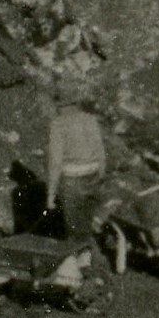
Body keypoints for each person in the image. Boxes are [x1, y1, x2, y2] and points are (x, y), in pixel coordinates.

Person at [43, 62, 108, 238]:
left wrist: (51, 195)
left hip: (73, 181)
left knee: (76, 232)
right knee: (89, 223)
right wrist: (100, 176)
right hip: (93, 175)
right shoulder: (89, 119)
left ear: (58, 103)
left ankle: (85, 260)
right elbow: (101, 152)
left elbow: (55, 162)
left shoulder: (58, 124)